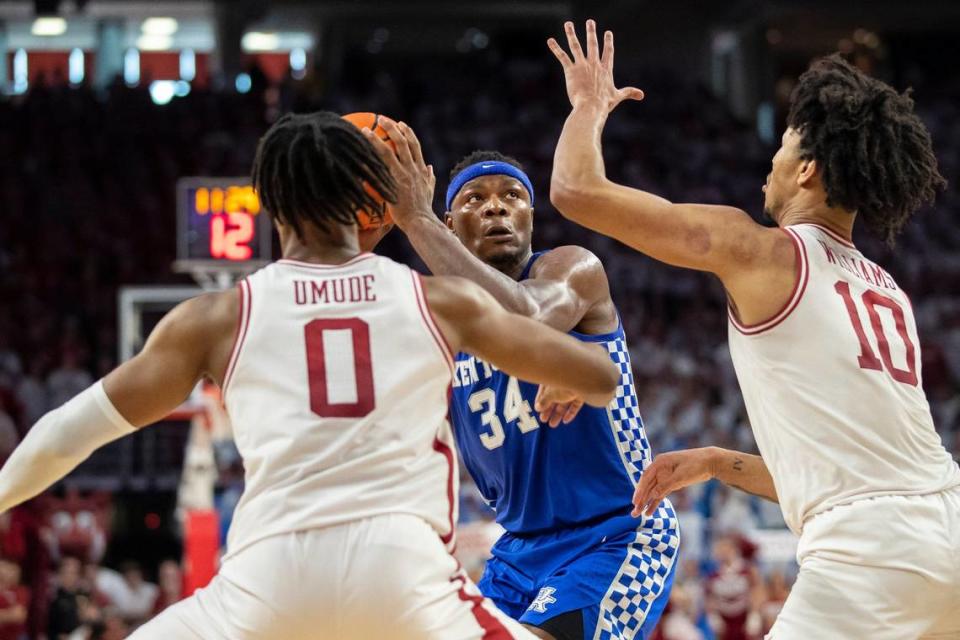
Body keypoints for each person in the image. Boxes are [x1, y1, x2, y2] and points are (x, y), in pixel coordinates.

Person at [0, 111, 622, 639]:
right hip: (403, 572)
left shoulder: (216, 316)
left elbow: (68, 433)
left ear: (270, 202)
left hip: (268, 572)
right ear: (374, 202)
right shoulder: (439, 300)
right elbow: (600, 375)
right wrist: (573, 377)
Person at [546, 19, 960, 638]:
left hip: (868, 558)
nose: (770, 164)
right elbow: (850, 478)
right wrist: (718, 461)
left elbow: (576, 190)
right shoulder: (886, 290)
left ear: (808, 171)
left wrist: (587, 106)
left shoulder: (762, 251)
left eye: (783, 149)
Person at [362, 120, 679, 640]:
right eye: (475, 198)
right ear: (452, 220)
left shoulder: (572, 269)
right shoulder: (439, 316)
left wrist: (416, 220)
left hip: (616, 533)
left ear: (531, 216)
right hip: (518, 549)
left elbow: (526, 317)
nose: (496, 206)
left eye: (512, 195)